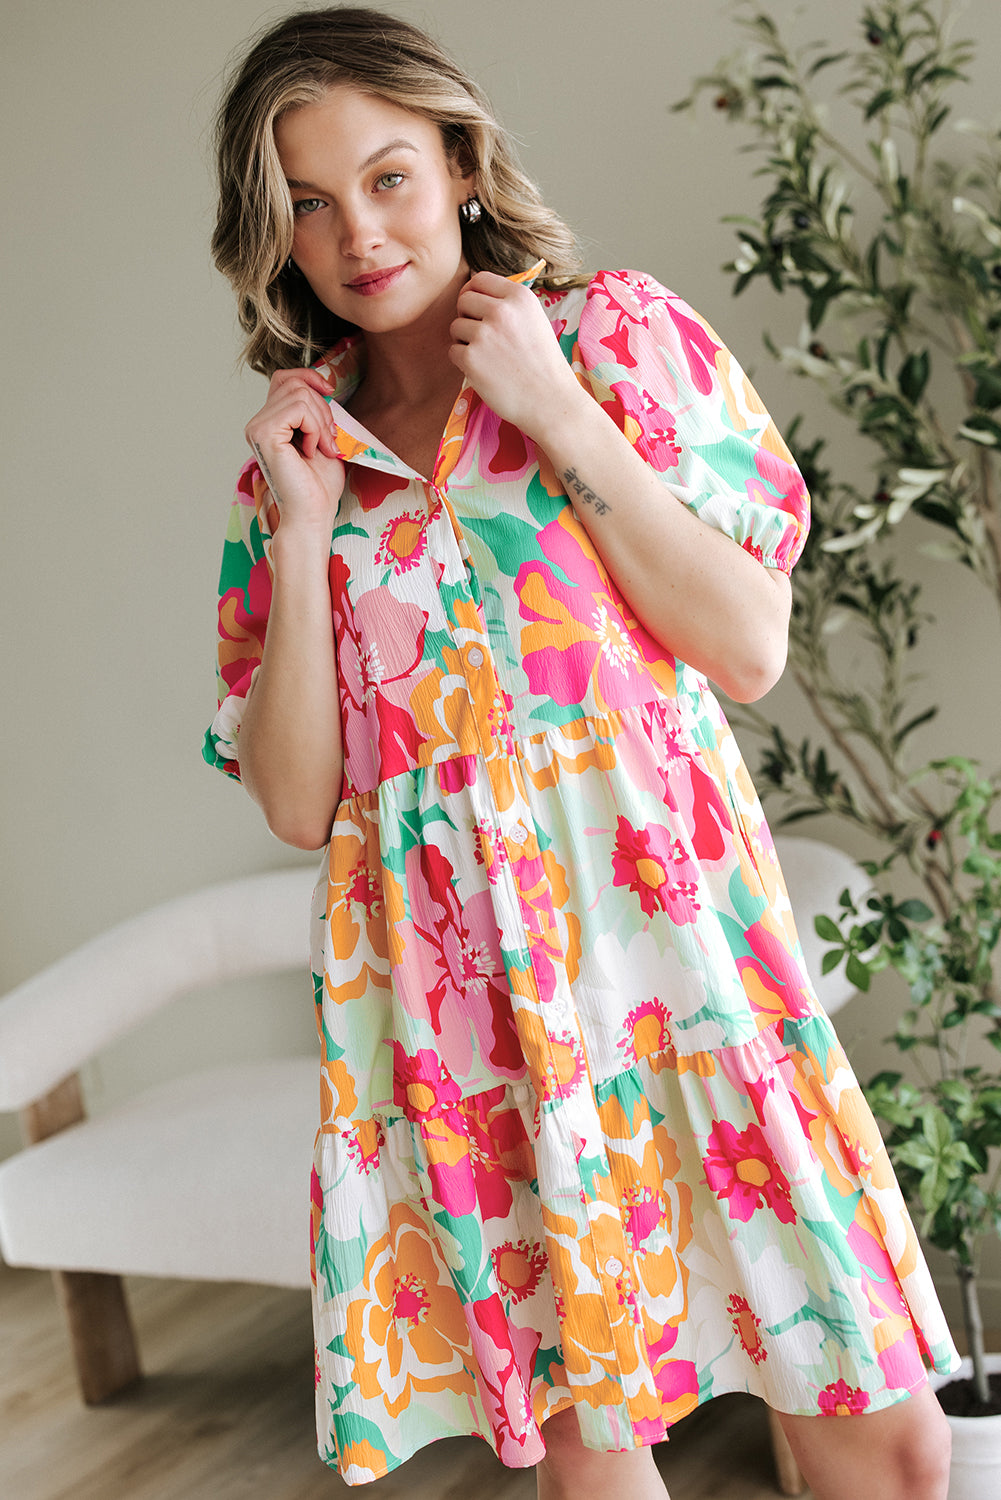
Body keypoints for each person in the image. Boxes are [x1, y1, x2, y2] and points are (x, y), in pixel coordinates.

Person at [204, 9, 957, 1498]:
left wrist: (552, 408)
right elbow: (297, 802)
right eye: (308, 202)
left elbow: (745, 645)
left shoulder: (612, 335)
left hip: (684, 970)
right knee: (591, 1466)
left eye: (389, 176)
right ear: (270, 232)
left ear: (459, 162)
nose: (359, 233)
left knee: (891, 1449)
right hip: (468, 1024)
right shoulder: (295, 461)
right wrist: (301, 532)